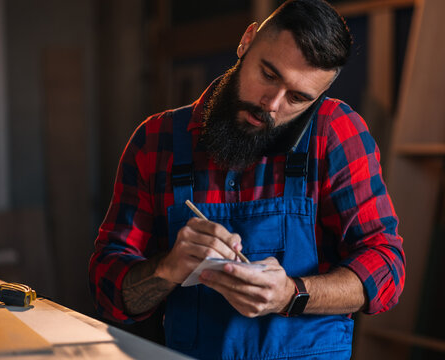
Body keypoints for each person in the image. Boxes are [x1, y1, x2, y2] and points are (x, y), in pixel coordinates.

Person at [89, 0, 405, 359]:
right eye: (269, 75)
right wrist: (169, 267)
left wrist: (292, 293)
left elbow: (387, 265)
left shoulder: (334, 133)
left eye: (298, 98)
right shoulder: (156, 141)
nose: (272, 104)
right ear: (247, 41)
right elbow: (107, 292)